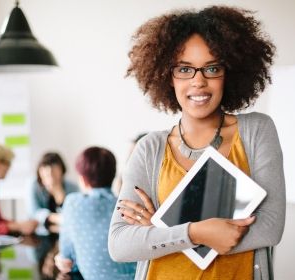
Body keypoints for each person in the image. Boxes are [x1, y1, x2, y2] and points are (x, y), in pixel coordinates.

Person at [108, 5, 285, 280]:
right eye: (184, 69)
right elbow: (120, 244)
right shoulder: (150, 148)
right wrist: (196, 232)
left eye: (212, 68)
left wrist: (158, 229)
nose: (199, 81)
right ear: (168, 76)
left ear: (229, 73)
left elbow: (270, 228)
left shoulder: (257, 130)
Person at [55, 147, 136, 280]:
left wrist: (63, 258)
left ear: (83, 178)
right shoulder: (127, 205)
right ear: (113, 175)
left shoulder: (73, 203)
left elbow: (67, 260)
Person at [28, 152, 78, 235]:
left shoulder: (72, 187)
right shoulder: (33, 186)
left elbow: (74, 214)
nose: (50, 172)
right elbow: (33, 212)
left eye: (54, 168)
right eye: (45, 168)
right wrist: (55, 218)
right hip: (38, 233)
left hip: (64, 233)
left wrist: (59, 194)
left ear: (62, 170)